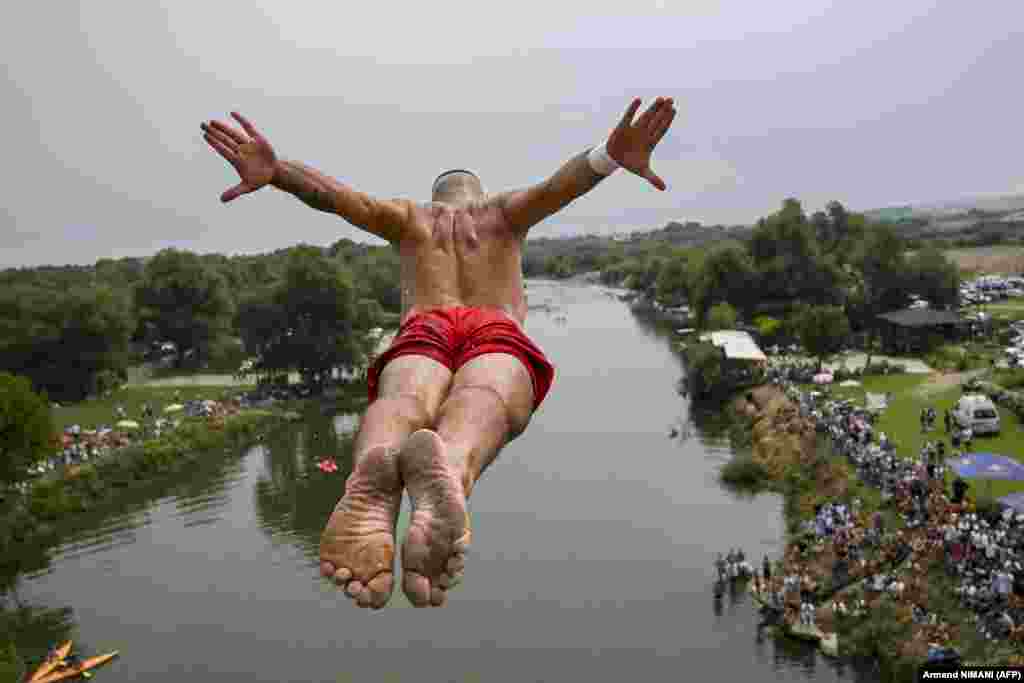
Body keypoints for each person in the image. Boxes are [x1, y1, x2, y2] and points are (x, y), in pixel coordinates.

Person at [201, 98, 678, 609]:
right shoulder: (503, 211)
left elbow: (337, 197)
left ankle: (375, 474)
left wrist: (277, 173)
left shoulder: (411, 219)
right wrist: (608, 155)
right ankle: (446, 471)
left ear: (435, 195)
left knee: (403, 401)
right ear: (478, 190)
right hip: (493, 327)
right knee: (487, 395)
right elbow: (560, 186)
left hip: (424, 327)